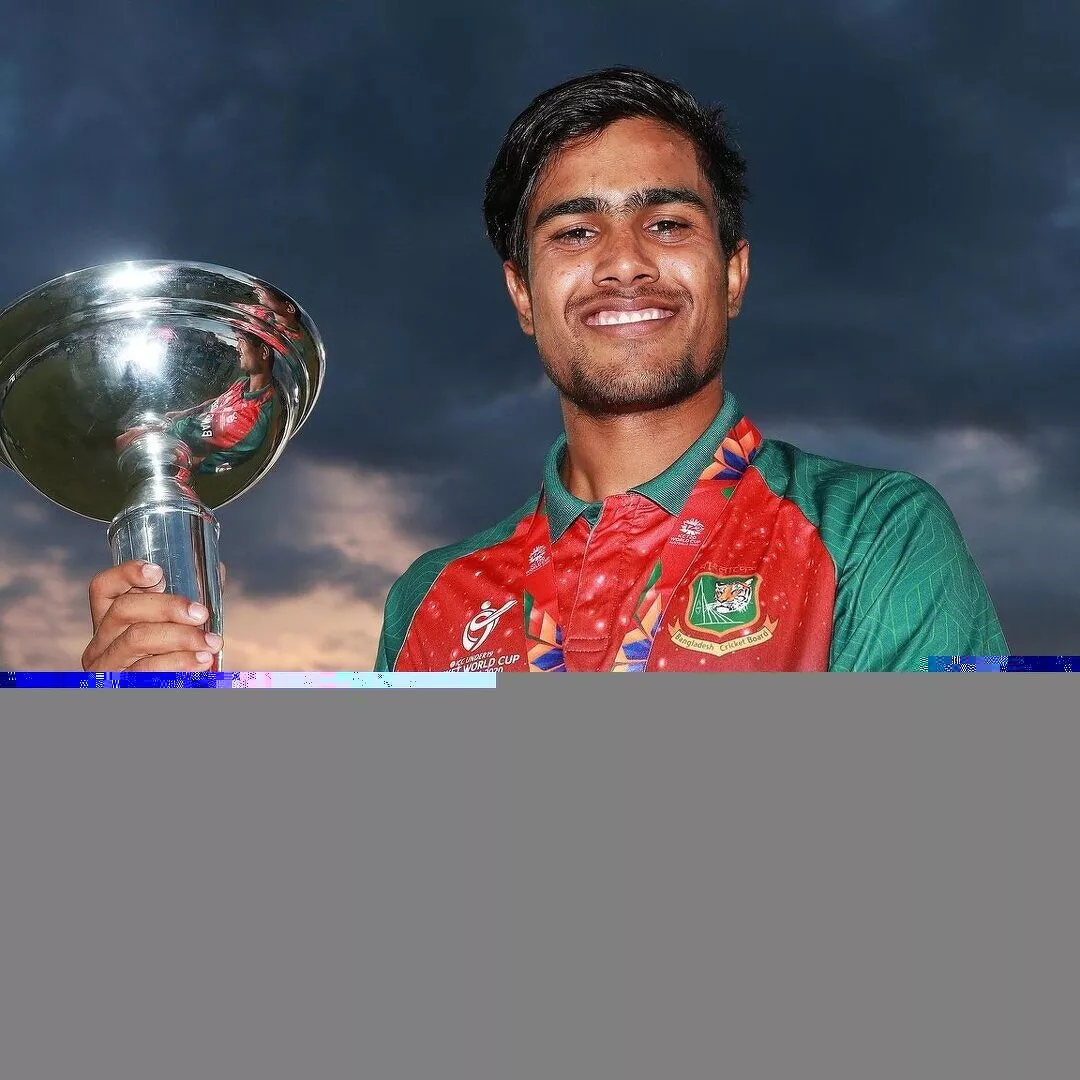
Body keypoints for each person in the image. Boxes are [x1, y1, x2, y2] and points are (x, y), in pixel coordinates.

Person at [80, 67, 1007, 673]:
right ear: (524, 294)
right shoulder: (431, 597)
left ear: (732, 272)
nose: (623, 261)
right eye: (575, 231)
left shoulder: (874, 536)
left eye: (669, 222)